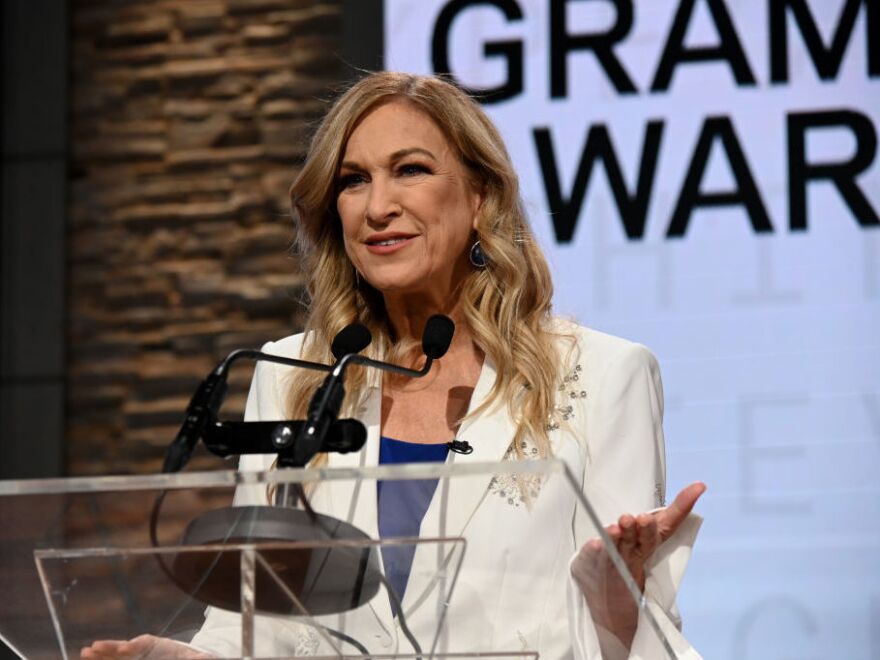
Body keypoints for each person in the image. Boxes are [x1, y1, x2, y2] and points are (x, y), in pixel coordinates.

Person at [82, 72, 705, 659]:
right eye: (354, 180)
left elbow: (644, 636)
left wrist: (618, 598)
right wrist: (190, 656)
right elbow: (255, 617)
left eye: (410, 170)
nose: (377, 206)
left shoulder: (603, 374)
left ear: (480, 197)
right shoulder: (290, 373)